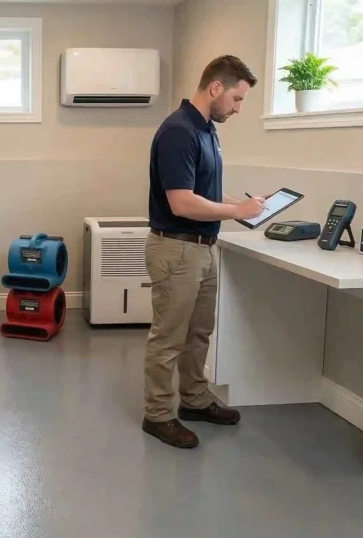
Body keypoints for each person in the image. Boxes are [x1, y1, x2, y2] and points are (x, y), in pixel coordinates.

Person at [141, 55, 262, 449]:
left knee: (199, 334)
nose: (238, 108)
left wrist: (247, 208)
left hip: (203, 248)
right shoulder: (179, 131)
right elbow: (181, 203)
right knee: (169, 338)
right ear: (215, 88)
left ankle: (194, 400)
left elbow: (203, 193)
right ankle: (158, 415)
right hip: (176, 249)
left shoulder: (207, 129)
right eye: (237, 99)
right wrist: (234, 211)